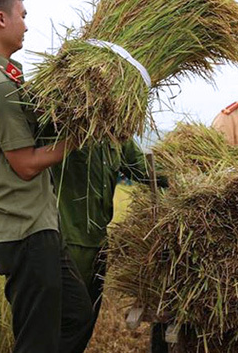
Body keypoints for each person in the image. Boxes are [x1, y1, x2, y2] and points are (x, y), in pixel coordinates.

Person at [0, 0, 91, 353]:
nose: (26, 23)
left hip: (35, 225)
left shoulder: (5, 75)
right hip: (22, 231)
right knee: (36, 340)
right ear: (1, 19)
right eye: (22, 13)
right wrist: (78, 139)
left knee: (77, 316)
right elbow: (26, 164)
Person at [51, 140, 156, 352]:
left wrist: (186, 171)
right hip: (66, 243)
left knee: (85, 323)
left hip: (98, 247)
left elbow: (143, 168)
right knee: (64, 322)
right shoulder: (65, 127)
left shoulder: (116, 137)